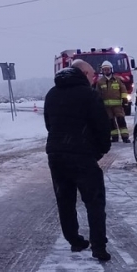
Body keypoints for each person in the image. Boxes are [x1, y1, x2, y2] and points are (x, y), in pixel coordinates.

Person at [44, 59, 113, 261]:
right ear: (83, 74)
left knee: (65, 200)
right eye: (92, 74)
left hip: (56, 155)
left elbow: (49, 124)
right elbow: (102, 126)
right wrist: (100, 150)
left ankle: (75, 240)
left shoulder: (52, 94)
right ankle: (98, 247)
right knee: (94, 202)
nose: (94, 78)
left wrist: (61, 144)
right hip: (82, 156)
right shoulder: (89, 95)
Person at [96, 61, 129, 143]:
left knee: (121, 120)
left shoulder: (117, 80)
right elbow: (98, 93)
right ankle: (114, 137)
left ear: (111, 70)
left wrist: (125, 100)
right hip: (106, 107)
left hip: (118, 106)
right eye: (104, 70)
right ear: (102, 71)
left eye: (107, 69)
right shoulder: (100, 82)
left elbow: (123, 90)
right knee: (110, 122)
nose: (106, 71)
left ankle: (125, 137)